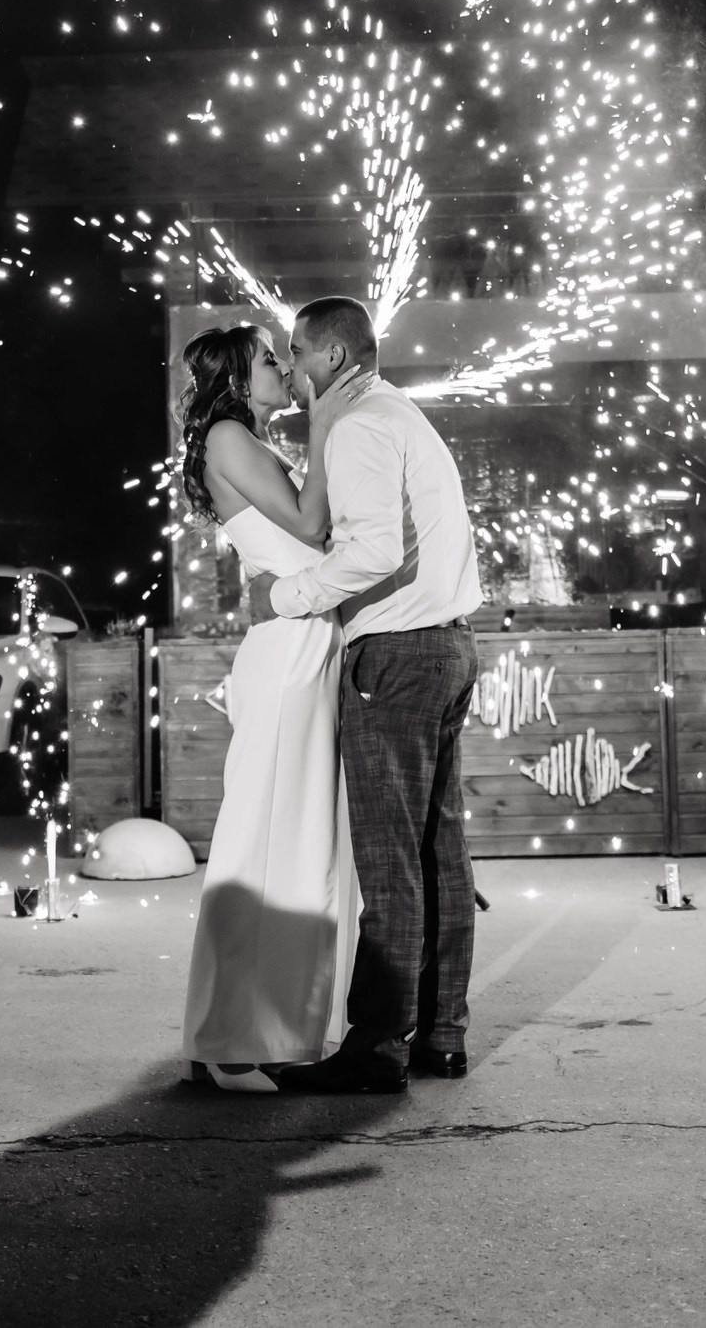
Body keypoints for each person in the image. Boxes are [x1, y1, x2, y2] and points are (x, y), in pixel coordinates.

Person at [246, 297, 483, 1093]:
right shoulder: (402, 414)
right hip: (449, 645)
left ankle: (377, 1045)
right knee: (438, 853)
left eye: (299, 353)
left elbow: (373, 549)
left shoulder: (355, 426)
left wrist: (285, 597)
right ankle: (441, 1034)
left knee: (389, 862)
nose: (294, 369)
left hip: (398, 653)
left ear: (335, 357)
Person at [177, 322, 372, 1093]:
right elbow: (307, 526)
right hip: (286, 652)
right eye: (268, 359)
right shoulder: (227, 433)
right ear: (234, 374)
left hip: (304, 642)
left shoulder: (246, 439)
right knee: (266, 843)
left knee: (300, 846)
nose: (282, 369)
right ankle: (231, 1037)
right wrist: (325, 420)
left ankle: (253, 1029)